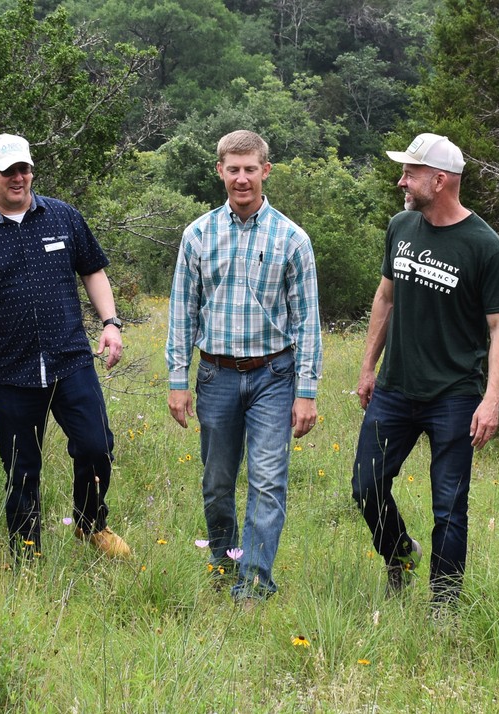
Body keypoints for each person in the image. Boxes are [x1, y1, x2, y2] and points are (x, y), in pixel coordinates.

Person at [0, 133, 131, 561]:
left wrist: (111, 323)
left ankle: (90, 524)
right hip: (12, 371)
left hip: (71, 360)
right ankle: (27, 559)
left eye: (24, 169)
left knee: (97, 445)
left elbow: (93, 271)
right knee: (22, 472)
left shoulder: (62, 216)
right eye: (9, 171)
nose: (19, 178)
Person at [351, 133, 499, 601]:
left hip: (455, 397)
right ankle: (400, 552)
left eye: (410, 173)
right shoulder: (401, 226)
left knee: (450, 507)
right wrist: (367, 369)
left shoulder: (485, 246)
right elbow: (385, 298)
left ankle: (444, 604)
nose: (401, 180)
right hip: (395, 389)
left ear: (439, 180)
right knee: (366, 485)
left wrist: (491, 399)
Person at [166, 130, 322, 604]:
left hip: (274, 375)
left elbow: (307, 320)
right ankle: (222, 561)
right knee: (217, 483)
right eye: (232, 169)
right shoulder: (198, 235)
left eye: (250, 169)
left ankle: (253, 583)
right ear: (220, 171)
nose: (241, 178)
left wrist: (307, 390)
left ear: (265, 171)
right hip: (215, 375)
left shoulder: (292, 239)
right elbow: (182, 312)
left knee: (268, 481)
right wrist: (178, 380)